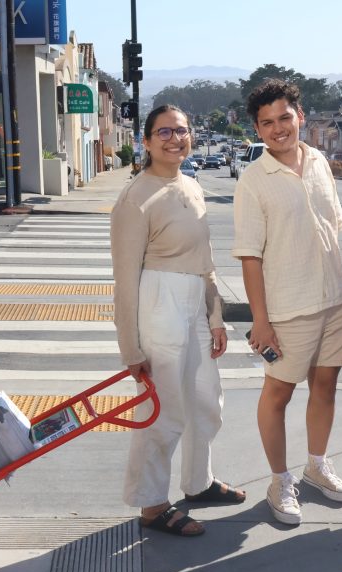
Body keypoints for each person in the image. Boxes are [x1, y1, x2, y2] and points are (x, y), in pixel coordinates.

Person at [111, 104, 246, 538]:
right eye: (164, 132)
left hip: (194, 303)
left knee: (206, 400)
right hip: (159, 301)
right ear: (147, 141)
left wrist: (216, 316)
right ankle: (152, 505)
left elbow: (204, 261)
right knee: (163, 412)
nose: (175, 139)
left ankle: (198, 483)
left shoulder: (191, 185)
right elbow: (125, 280)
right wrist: (130, 349)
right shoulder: (136, 197)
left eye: (182, 131)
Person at [232, 79, 342, 526]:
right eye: (267, 123)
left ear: (300, 116)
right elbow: (250, 256)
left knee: (326, 387)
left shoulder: (320, 161)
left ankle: (317, 466)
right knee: (278, 394)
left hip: (334, 302)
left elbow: (332, 229)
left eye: (285, 117)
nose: (278, 128)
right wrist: (260, 322)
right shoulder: (253, 180)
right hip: (287, 310)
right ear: (258, 129)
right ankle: (280, 480)